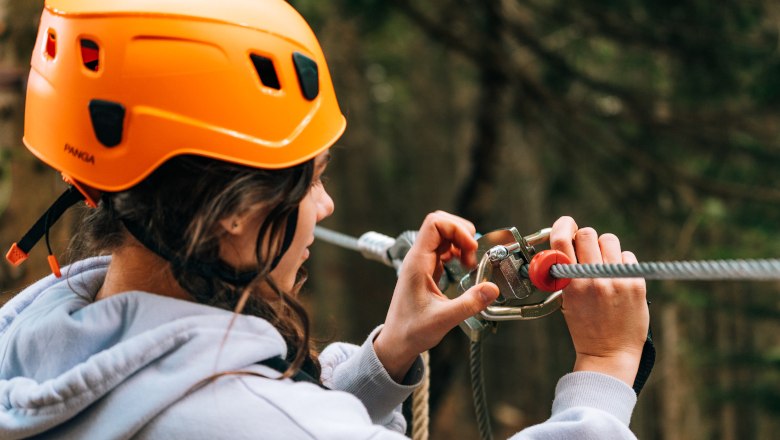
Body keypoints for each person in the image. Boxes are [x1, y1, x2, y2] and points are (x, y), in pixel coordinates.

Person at [0, 0, 649, 438]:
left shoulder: (31, 351)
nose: (327, 207)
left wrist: (387, 358)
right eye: (313, 178)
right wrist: (604, 368)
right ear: (237, 211)